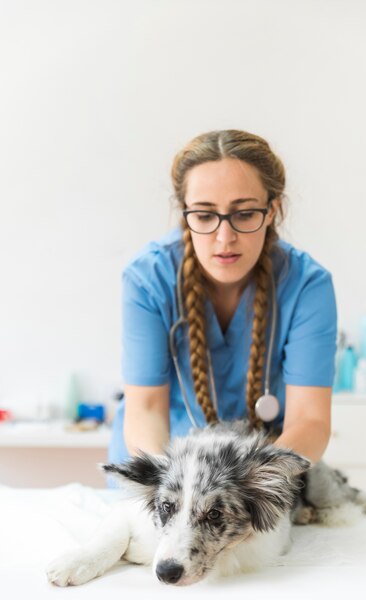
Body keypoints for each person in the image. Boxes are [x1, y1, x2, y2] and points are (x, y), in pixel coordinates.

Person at [108, 129, 337, 472]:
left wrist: (253, 486)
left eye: (244, 214)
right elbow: (146, 411)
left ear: (272, 210)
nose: (224, 238)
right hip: (166, 474)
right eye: (204, 215)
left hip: (260, 481)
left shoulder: (307, 286)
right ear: (184, 211)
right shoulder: (148, 280)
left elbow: (310, 422)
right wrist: (167, 489)